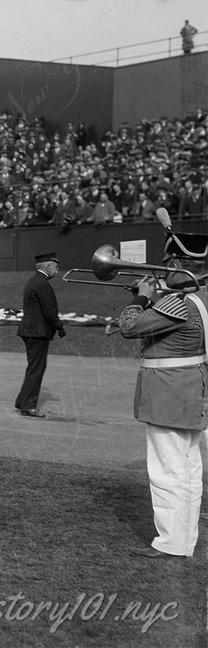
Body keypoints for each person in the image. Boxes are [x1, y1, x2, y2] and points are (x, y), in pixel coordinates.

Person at [119, 225, 207, 558]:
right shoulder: (200, 298)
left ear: (179, 263)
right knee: (189, 470)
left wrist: (140, 299)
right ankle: (185, 540)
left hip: (169, 391)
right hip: (192, 390)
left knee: (167, 470)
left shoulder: (180, 303)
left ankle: (171, 542)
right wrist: (155, 299)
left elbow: (129, 327)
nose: (164, 267)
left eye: (169, 261)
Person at [13, 252, 65, 418]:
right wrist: (59, 326)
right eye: (55, 267)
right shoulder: (42, 284)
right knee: (36, 369)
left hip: (31, 330)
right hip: (37, 332)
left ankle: (22, 401)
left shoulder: (35, 281)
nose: (56, 271)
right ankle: (28, 406)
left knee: (33, 368)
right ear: (48, 265)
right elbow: (49, 311)